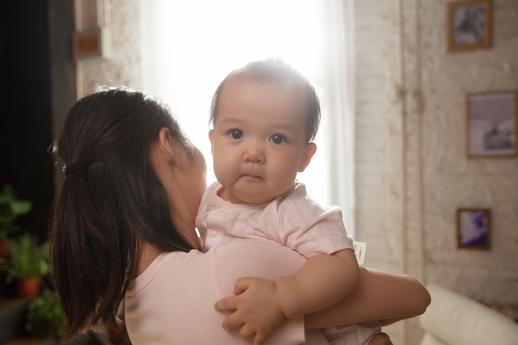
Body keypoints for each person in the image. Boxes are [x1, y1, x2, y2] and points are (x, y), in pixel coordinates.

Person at [50, 88, 430, 344]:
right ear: (168, 146)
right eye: (234, 134)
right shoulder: (233, 274)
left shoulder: (132, 313)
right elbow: (412, 296)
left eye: (275, 138)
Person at [197, 59, 376, 344]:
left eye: (277, 138)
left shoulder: (294, 210)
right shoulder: (208, 198)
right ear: (212, 141)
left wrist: (282, 298)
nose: (253, 152)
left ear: (304, 158)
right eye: (236, 134)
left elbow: (341, 266)